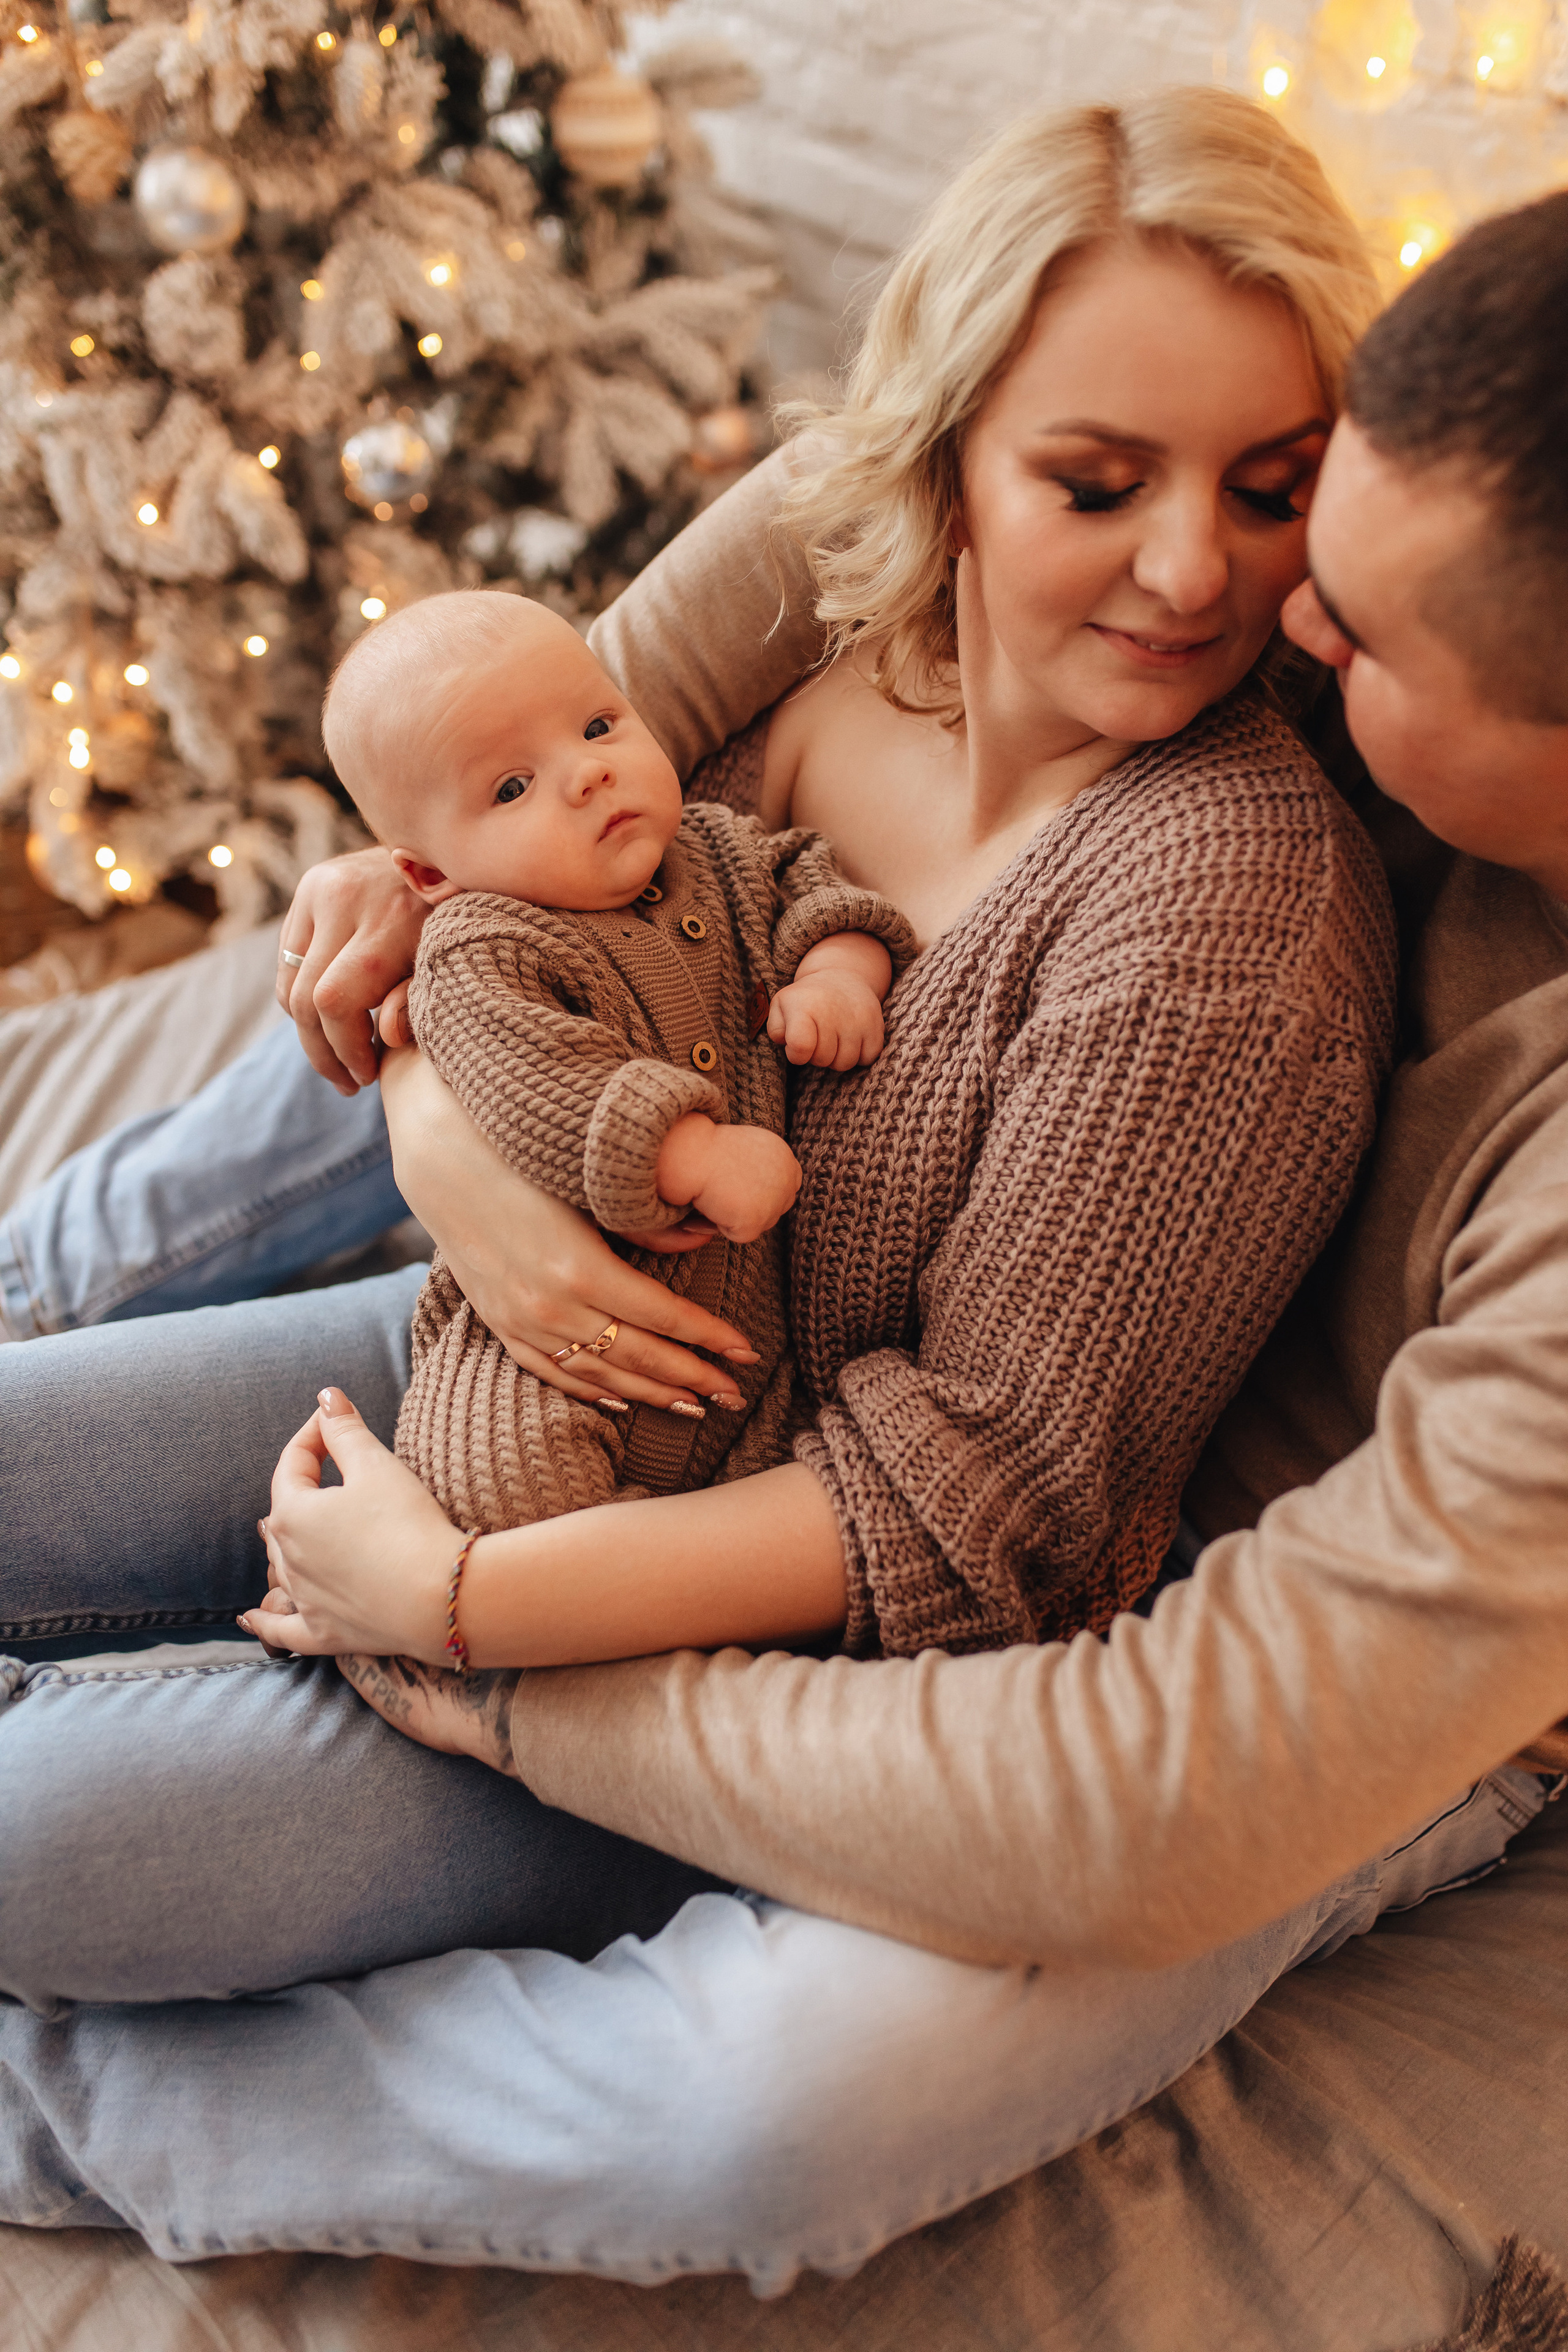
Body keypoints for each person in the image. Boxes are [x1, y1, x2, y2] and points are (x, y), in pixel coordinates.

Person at [1, 94, 1537, 2291]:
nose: (1197, 570)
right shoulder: (823, 623)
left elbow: (977, 1492)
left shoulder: (1228, 895)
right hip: (488, 1353)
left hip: (753, 1581)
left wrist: (447, 1601)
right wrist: (460, 1134)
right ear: (947, 450)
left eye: (1269, 493)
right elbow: (470, 859)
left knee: (36, 1839)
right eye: (1096, 483)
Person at [319, 591, 907, 1547]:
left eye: (598, 726)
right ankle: (534, 1611)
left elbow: (810, 878)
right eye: (512, 789)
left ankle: (639, 1610)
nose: (590, 775)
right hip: (539, 1373)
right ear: (426, 876)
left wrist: (841, 971)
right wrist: (685, 1154)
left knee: (766, 1491)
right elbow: (538, 1081)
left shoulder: (718, 847)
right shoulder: (481, 943)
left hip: (747, 1377)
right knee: (499, 1482)